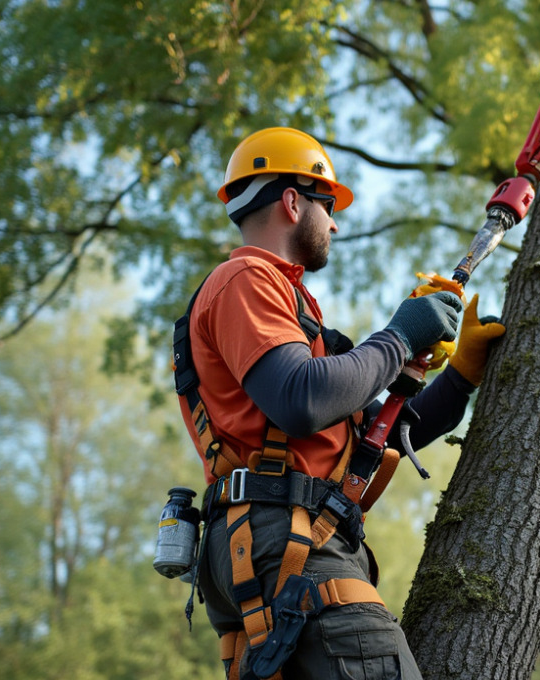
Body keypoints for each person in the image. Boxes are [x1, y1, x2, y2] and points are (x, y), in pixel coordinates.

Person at [174, 127, 505, 680]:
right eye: (328, 206)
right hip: (286, 539)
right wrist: (399, 336)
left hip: (277, 542)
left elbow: (372, 438)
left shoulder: (285, 306)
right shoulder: (247, 278)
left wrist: (462, 376)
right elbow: (301, 399)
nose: (334, 223)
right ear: (291, 201)